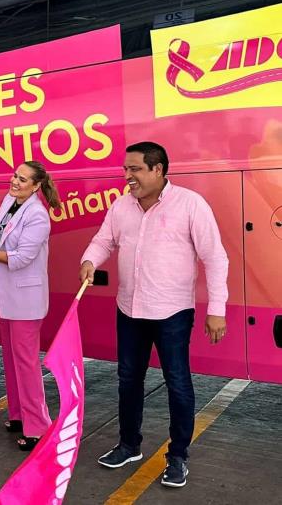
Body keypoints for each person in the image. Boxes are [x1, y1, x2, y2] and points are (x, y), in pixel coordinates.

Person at [79, 141, 228, 488]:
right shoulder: (121, 206)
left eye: (134, 169)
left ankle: (178, 457)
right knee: (128, 379)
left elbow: (215, 257)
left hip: (172, 311)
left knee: (177, 382)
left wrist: (216, 310)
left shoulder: (190, 204)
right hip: (129, 308)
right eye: (125, 169)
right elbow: (103, 241)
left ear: (158, 169)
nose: (127, 176)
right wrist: (89, 260)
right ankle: (129, 445)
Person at [0, 161, 61, 451]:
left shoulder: (38, 215)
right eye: (14, 175)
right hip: (5, 296)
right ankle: (19, 415)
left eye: (22, 179)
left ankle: (38, 426)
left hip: (25, 301)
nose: (15, 181)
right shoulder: (10, 201)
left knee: (27, 364)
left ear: (35, 186)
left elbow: (20, 258)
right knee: (11, 358)